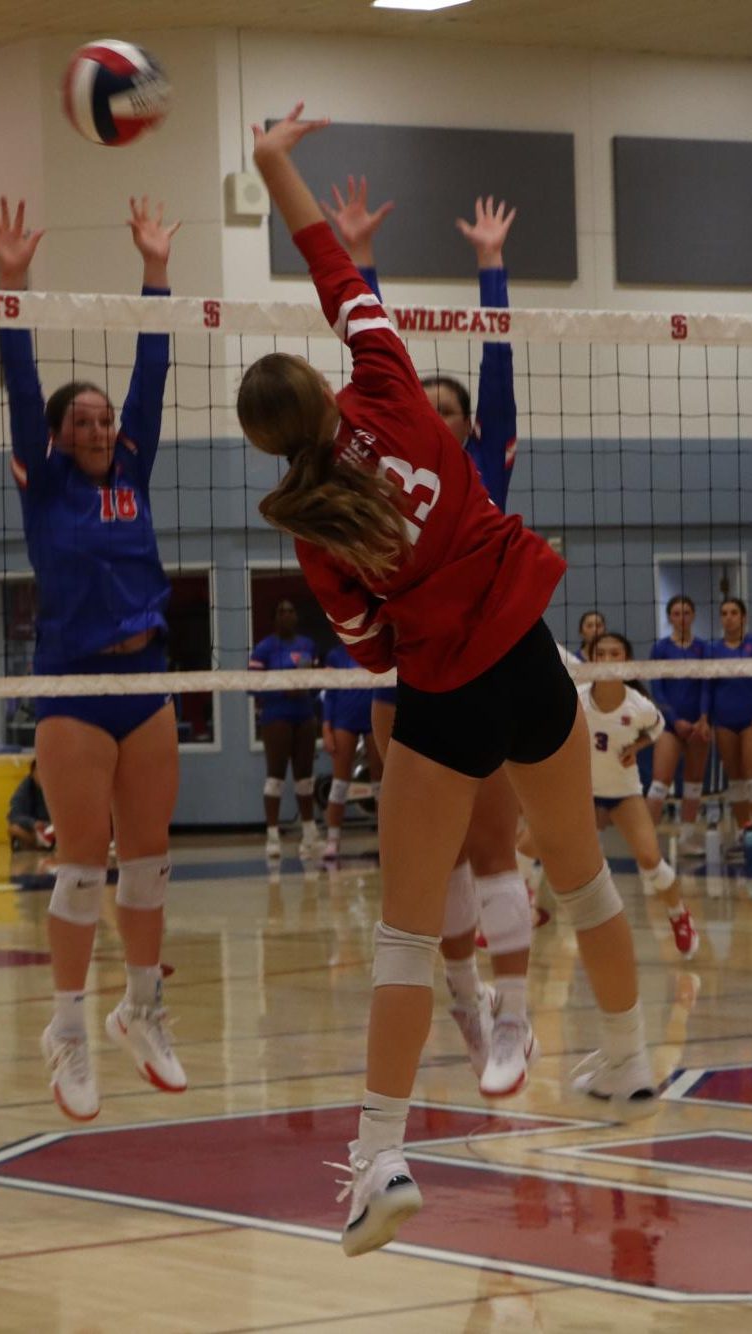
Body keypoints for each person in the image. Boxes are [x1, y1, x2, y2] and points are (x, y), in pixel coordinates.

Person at [241, 105, 654, 1256]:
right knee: (583, 876)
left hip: (437, 697)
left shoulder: (312, 534)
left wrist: (412, 646)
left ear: (273, 446)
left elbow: (367, 647)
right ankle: (623, 1063)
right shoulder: (388, 383)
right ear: (329, 395)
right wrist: (276, 161)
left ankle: (380, 1153)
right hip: (527, 657)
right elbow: (335, 269)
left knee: (406, 935)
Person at [324, 175, 541, 1100]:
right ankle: (463, 995)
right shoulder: (381, 463)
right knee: (434, 861)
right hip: (410, 679)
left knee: (496, 844)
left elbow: (495, 370)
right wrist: (360, 257)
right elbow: (376, 368)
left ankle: (516, 1012)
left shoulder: (484, 457)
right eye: (433, 410)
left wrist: (491, 267)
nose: (442, 419)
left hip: (490, 660)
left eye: (455, 413)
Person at [0, 193, 185, 1122]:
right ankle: (65, 1028)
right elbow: (23, 382)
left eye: (108, 422)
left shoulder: (133, 471)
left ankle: (140, 1010)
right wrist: (13, 285)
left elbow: (155, 366)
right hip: (72, 684)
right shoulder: (45, 484)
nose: (102, 430)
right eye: (86, 423)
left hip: (147, 680)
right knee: (81, 867)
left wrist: (155, 271)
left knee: (148, 865)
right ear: (59, 437)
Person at [584, 633, 698, 958]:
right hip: (585, 793)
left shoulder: (639, 705)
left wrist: (637, 746)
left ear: (627, 662)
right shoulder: (576, 698)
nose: (606, 660)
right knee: (534, 845)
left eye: (614, 654)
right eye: (600, 654)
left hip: (623, 792)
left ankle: (678, 914)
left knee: (651, 861)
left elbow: (658, 726)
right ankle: (528, 906)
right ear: (591, 660)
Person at [704, 598, 752, 867]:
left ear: (743, 616)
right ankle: (745, 832)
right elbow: (708, 688)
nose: (729, 617)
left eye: (734, 613)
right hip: (723, 720)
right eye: (724, 613)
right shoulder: (713, 650)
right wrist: (705, 718)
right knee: (734, 782)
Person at [249, 599, 322, 860]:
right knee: (276, 776)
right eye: (281, 611)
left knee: (305, 778)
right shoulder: (264, 649)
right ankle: (272, 837)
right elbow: (251, 687)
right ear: (274, 618)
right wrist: (283, 689)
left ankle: (310, 834)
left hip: (304, 716)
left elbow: (315, 682)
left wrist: (306, 687)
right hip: (276, 716)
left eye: (291, 610)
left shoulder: (307, 645)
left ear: (297, 616)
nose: (287, 615)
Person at [647, 595, 711, 857]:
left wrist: (704, 719)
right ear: (669, 617)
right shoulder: (660, 648)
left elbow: (708, 685)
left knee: (694, 784)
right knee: (660, 783)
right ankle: (647, 842)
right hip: (671, 726)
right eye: (676, 613)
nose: (681, 617)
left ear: (693, 615)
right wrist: (675, 720)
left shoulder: (704, 648)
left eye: (686, 612)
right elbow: (657, 690)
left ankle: (687, 839)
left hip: (699, 724)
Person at [320, 640, 381, 861]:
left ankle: (385, 839)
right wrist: (326, 728)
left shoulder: (377, 649)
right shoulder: (335, 655)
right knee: (339, 783)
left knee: (380, 783)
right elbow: (328, 695)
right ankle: (332, 841)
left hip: (373, 718)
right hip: (344, 720)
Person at [7, 759, 54, 851]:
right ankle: (39, 846)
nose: (42, 776)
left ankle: (43, 845)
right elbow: (14, 815)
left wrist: (49, 825)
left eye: (46, 772)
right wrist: (33, 823)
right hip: (33, 829)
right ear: (32, 773)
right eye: (39, 772)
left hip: (51, 829)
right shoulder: (24, 789)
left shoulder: (56, 787)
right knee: (14, 829)